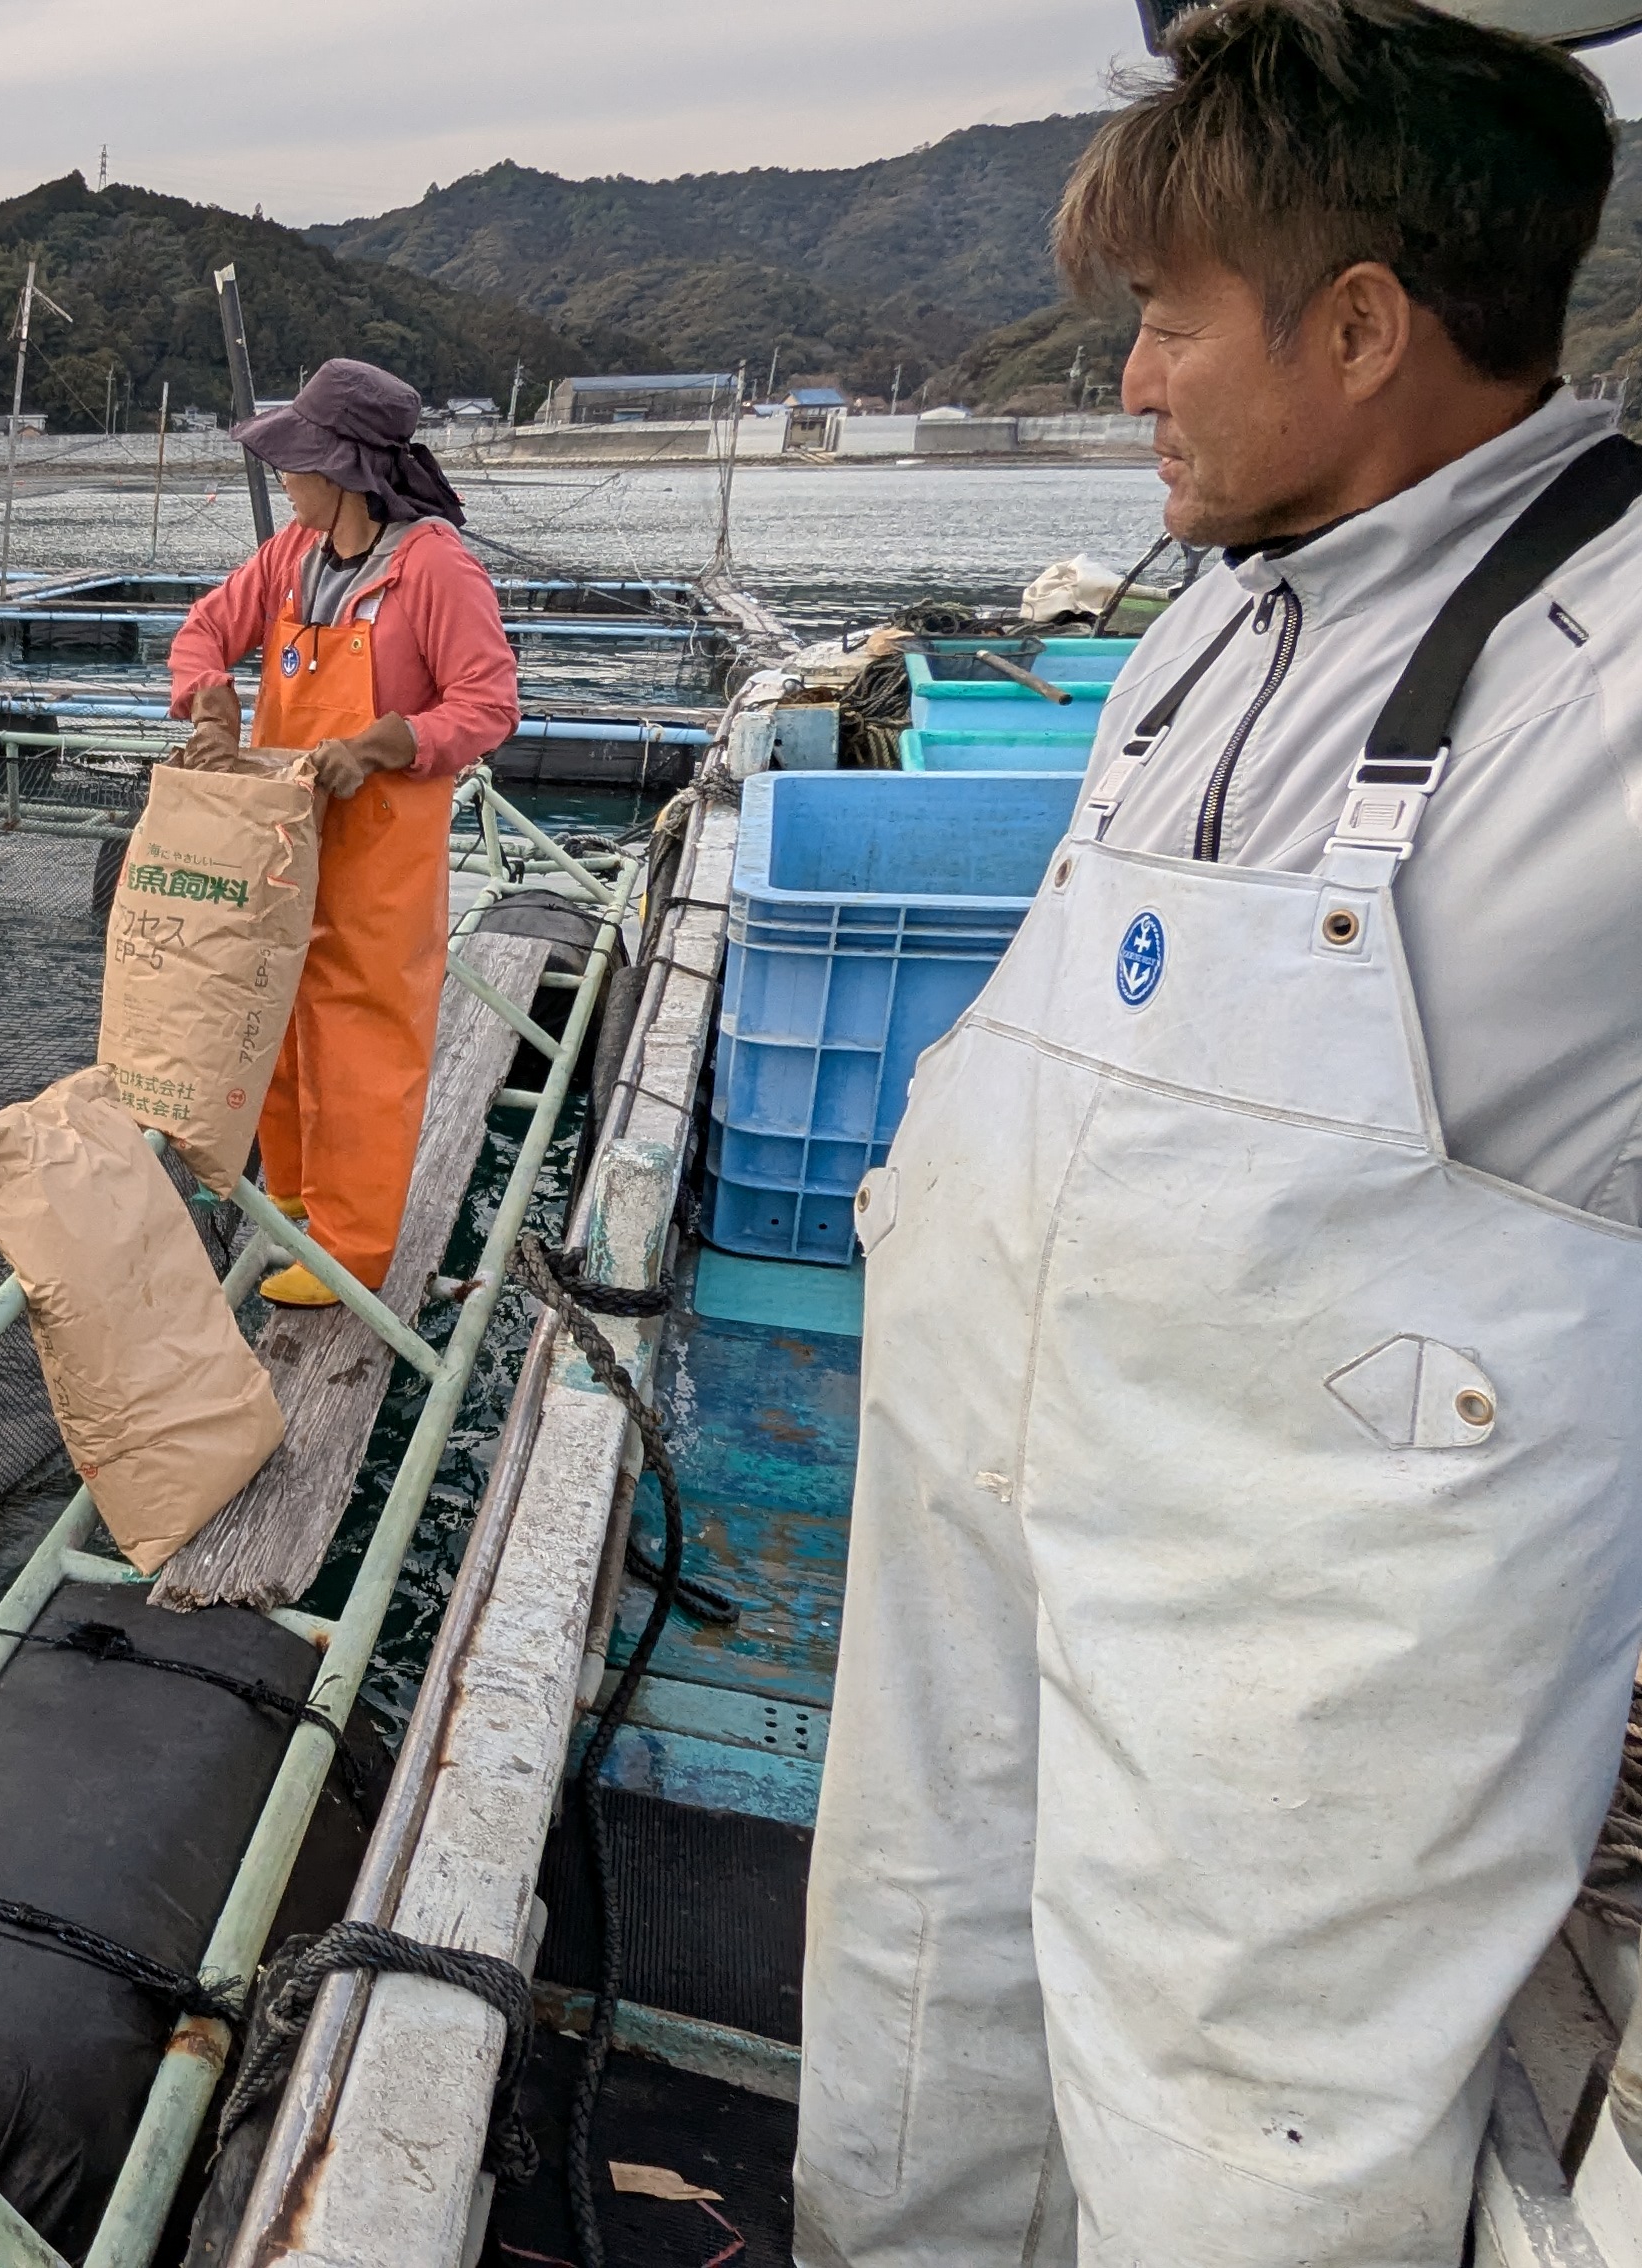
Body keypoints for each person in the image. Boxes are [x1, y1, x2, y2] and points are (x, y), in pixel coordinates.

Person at [796, 5, 1642, 2261]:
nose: (1134, 384)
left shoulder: (1613, 672)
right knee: (921, 2035)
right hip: (998, 1539)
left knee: (1236, 2166)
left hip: (1313, 1687)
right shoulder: (1208, 631)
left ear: (1361, 326)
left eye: (1167, 326)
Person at [163, 359, 518, 1306]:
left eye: (298, 460)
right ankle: (294, 1209)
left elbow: (489, 703)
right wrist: (208, 702)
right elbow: (204, 631)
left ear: (346, 468)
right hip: (281, 845)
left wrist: (396, 739)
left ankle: (352, 1253)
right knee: (272, 1024)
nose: (285, 476)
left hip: (380, 856)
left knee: (362, 1048)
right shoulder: (291, 558)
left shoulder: (434, 566)